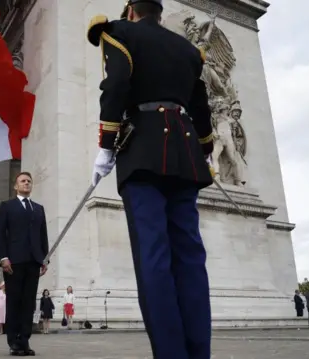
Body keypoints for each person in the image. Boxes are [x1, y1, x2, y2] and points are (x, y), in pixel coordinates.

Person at [86, 1, 215, 358]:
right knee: (190, 259)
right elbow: (200, 104)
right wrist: (204, 148)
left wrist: (107, 147)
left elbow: (115, 87)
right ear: (160, 13)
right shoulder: (188, 49)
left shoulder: (119, 32)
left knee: (154, 259)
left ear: (130, 10)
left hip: (142, 153)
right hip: (186, 155)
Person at [0, 171, 49, 356]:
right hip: (13, 262)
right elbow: (1, 234)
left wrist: (45, 258)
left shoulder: (39, 208)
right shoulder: (7, 206)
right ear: (16, 186)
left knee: (29, 303)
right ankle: (14, 342)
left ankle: (25, 340)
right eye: (22, 181)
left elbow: (43, 235)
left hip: (34, 261)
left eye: (29, 181)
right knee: (14, 302)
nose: (26, 183)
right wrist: (3, 258)